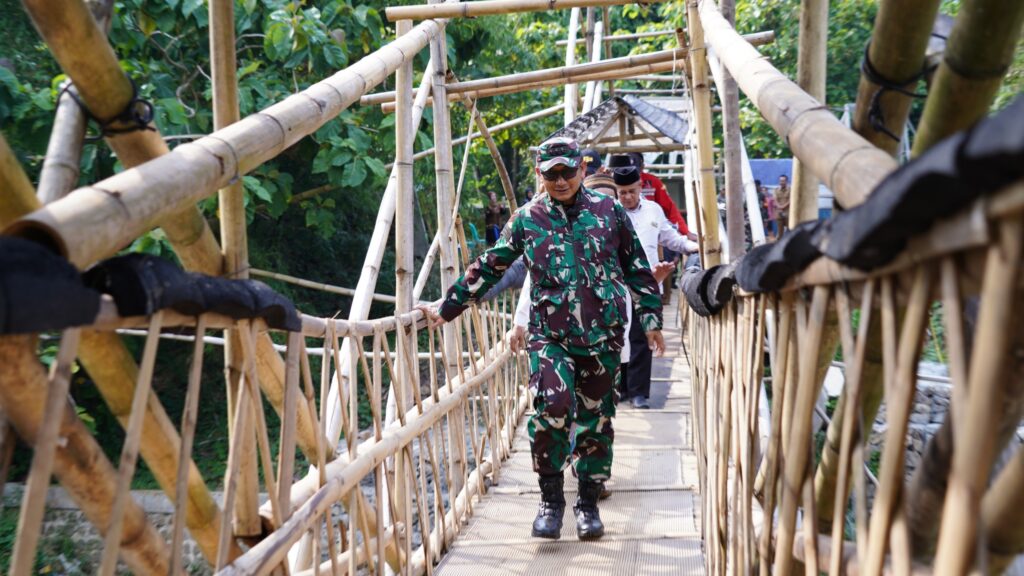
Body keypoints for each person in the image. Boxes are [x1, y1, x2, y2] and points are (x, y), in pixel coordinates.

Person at [419, 136, 665, 541]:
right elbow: (491, 265)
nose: (561, 180)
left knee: (597, 421)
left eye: (568, 171)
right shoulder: (528, 218)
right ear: (540, 174)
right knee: (552, 406)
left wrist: (651, 319)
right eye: (552, 174)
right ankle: (551, 501)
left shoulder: (610, 213)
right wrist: (447, 307)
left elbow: (637, 268)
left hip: (602, 335)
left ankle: (587, 505)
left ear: (582, 169)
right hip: (550, 336)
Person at [610, 161, 698, 409]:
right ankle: (621, 388)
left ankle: (639, 393)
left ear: (641, 187)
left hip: (648, 285)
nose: (627, 197)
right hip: (616, 285)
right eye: (622, 193)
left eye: (632, 191)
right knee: (618, 336)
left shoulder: (654, 211)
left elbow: (670, 238)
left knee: (643, 336)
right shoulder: (608, 213)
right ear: (616, 192)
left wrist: (693, 247)